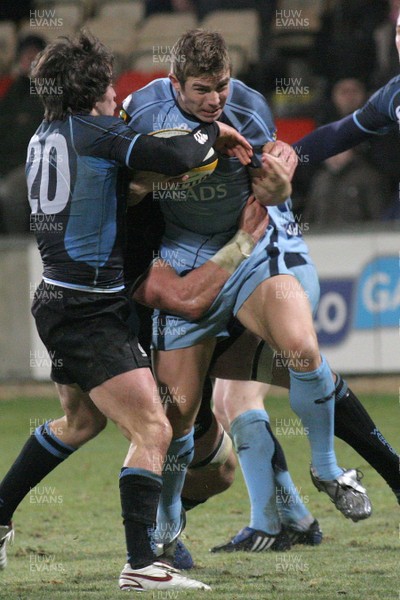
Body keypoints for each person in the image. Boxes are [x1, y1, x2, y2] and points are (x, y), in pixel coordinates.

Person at [0, 31, 262, 592]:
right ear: (93, 91)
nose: (117, 93)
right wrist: (215, 130)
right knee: (153, 428)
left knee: (81, 423)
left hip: (61, 299)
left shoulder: (43, 135)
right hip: (87, 310)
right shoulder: (96, 132)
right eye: (109, 85)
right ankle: (142, 564)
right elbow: (175, 152)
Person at [122, 29, 371, 556]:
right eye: (201, 91)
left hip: (250, 248)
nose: (215, 99)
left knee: (302, 350)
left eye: (222, 86)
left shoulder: (252, 109)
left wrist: (278, 186)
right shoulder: (139, 110)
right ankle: (168, 522)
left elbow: (274, 187)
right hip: (184, 257)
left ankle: (326, 469)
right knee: (177, 414)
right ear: (174, 85)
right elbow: (123, 184)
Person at [0, 34, 46, 233]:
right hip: (6, 163)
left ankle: (18, 251)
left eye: (34, 55)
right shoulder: (13, 91)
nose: (29, 59)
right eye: (25, 55)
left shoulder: (51, 91)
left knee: (8, 192)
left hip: (34, 164)